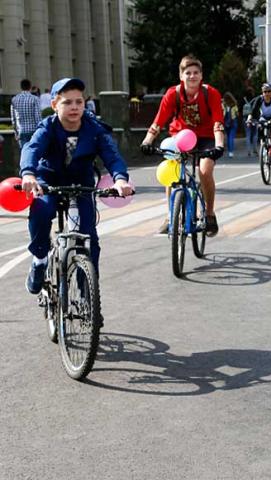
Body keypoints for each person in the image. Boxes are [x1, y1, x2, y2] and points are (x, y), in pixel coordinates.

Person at [20, 78, 133, 309]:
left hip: (81, 181)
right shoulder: (48, 127)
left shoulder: (94, 128)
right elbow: (32, 148)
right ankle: (40, 259)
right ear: (54, 105)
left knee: (88, 236)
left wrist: (120, 179)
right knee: (42, 210)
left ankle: (87, 296)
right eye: (67, 102)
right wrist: (29, 174)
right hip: (48, 178)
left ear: (84, 104)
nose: (74, 107)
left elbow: (111, 155)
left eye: (79, 102)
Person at [140, 55, 226, 236]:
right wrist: (147, 141)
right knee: (172, 170)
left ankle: (209, 214)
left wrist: (219, 146)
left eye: (196, 73)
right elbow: (158, 122)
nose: (192, 76)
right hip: (180, 137)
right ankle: (171, 215)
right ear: (181, 76)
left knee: (205, 170)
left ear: (201, 76)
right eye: (188, 73)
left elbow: (218, 123)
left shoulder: (210, 93)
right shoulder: (173, 94)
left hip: (206, 137)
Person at [247, 83, 271, 172]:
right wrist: (249, 119)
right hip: (264, 118)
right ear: (262, 92)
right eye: (265, 92)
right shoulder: (259, 99)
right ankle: (264, 145)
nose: (267, 93)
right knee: (260, 127)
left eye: (269, 91)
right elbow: (252, 111)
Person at [11, 79, 42, 148]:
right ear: (30, 87)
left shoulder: (14, 99)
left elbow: (13, 118)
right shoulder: (35, 99)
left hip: (21, 131)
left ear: (21, 87)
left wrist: (16, 132)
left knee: (24, 153)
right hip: (33, 131)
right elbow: (38, 117)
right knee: (34, 153)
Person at [222, 92, 239, 158]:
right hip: (233, 122)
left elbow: (222, 113)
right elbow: (237, 114)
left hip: (225, 122)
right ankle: (231, 152)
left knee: (228, 136)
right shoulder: (234, 105)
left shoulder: (224, 104)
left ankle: (229, 150)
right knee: (231, 137)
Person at [243, 90, 257, 155]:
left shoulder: (243, 100)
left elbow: (240, 110)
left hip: (246, 119)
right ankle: (255, 149)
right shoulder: (255, 100)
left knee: (248, 135)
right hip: (254, 118)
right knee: (255, 134)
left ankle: (248, 150)